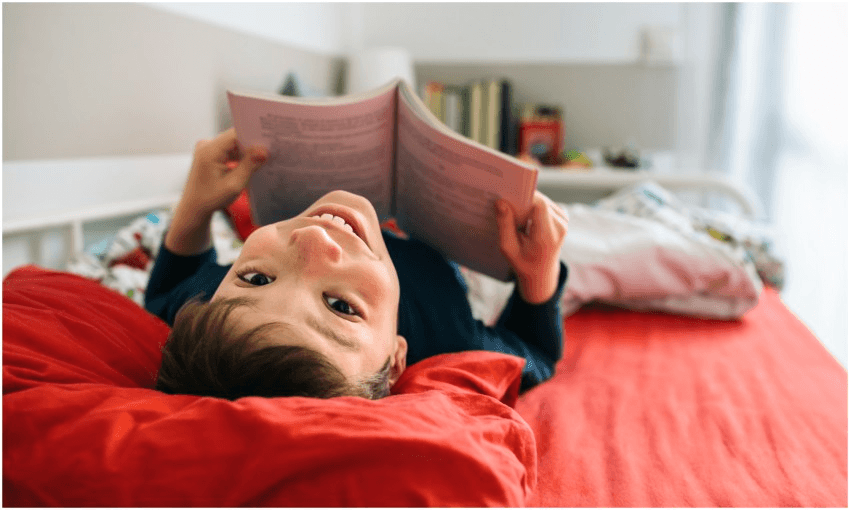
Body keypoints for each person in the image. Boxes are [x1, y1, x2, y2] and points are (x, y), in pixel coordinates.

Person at [146, 128, 569, 400]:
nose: (312, 240)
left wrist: (193, 209)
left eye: (257, 278)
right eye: (341, 307)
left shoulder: (213, 318)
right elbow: (535, 355)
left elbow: (167, 292)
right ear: (396, 360)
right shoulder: (447, 333)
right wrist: (539, 274)